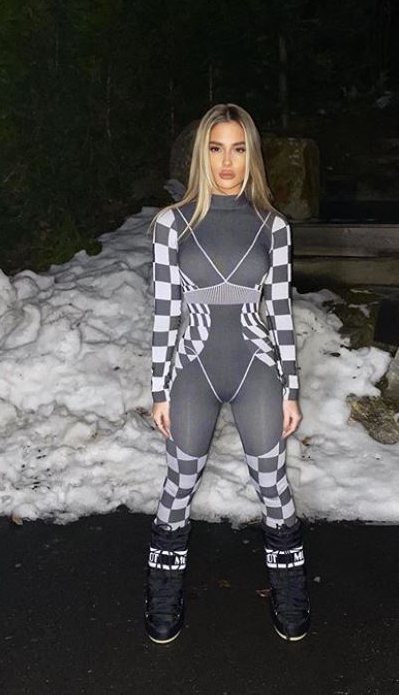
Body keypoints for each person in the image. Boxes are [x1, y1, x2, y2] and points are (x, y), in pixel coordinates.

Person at [145, 102, 310, 644]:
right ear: (202, 154)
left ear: (251, 155)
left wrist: (290, 388)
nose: (227, 162)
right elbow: (165, 312)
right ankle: (163, 593)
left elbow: (280, 312)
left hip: (255, 367)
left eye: (238, 149)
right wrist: (159, 388)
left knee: (273, 485)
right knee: (179, 484)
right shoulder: (171, 224)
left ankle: (290, 591)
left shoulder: (273, 226)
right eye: (216, 149)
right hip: (192, 369)